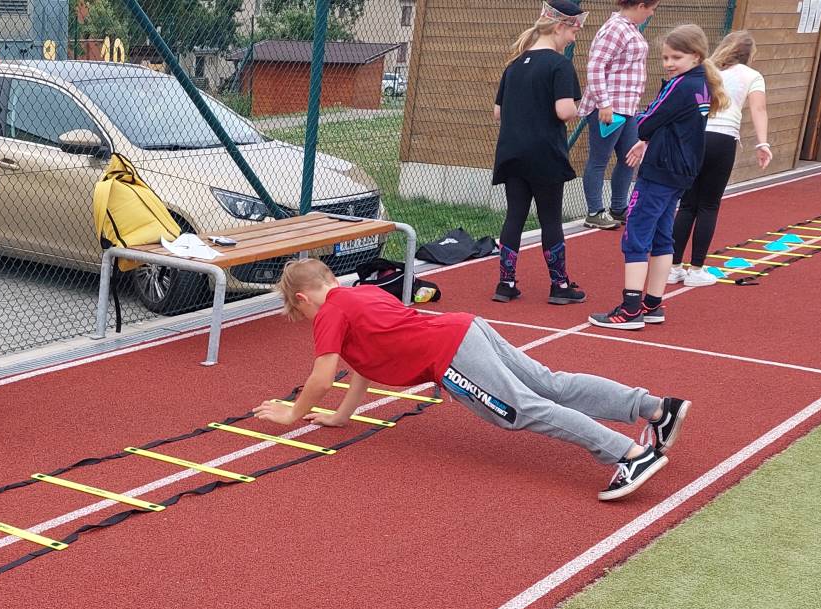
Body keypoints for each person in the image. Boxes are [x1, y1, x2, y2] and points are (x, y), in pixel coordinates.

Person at [256, 260, 689, 502]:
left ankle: (630, 455)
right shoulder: (360, 294)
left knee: (521, 410)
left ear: (303, 298)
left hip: (450, 354)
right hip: (465, 327)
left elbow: (322, 376)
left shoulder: (329, 313)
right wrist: (340, 416)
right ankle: (656, 408)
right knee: (550, 385)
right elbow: (365, 367)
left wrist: (292, 414)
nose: (308, 319)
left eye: (302, 312)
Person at [588, 24, 728, 332]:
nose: (668, 64)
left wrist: (643, 129)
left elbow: (647, 120)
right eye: (665, 57)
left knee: (636, 235)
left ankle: (630, 309)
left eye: (676, 57)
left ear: (696, 56)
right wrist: (648, 137)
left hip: (661, 170)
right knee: (663, 235)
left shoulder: (681, 86)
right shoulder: (702, 83)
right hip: (681, 169)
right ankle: (652, 303)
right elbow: (670, 123)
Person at [490, 0, 588, 305]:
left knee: (514, 215)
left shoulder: (514, 65)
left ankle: (505, 283)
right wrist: (581, 106)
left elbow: (498, 112)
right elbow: (564, 111)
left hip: (512, 152)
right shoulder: (559, 65)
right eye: (573, 32)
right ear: (560, 27)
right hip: (545, 153)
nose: (572, 39)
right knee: (550, 218)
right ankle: (559, 284)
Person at [668, 30, 771, 289]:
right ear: (749, 54)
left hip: (695, 135)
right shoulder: (752, 76)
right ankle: (696, 269)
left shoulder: (704, 69)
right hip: (723, 138)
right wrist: (762, 143)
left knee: (687, 204)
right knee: (708, 205)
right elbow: (759, 109)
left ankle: (672, 267)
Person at [578, 0, 660, 230]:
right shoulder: (615, 28)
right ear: (640, 5)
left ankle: (618, 207)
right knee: (599, 159)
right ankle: (594, 212)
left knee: (629, 158)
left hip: (628, 108)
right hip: (610, 109)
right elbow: (596, 66)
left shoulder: (630, 28)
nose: (651, 13)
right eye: (651, 8)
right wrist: (604, 103)